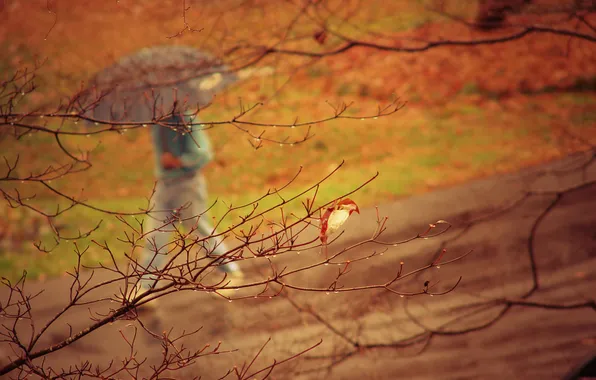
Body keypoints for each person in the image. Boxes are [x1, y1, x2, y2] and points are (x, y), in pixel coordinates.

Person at [130, 111, 242, 305]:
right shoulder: (156, 121)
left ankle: (230, 272)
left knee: (199, 230)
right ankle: (146, 288)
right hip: (164, 185)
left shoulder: (185, 119)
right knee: (155, 235)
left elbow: (203, 153)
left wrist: (179, 161)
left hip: (187, 185)